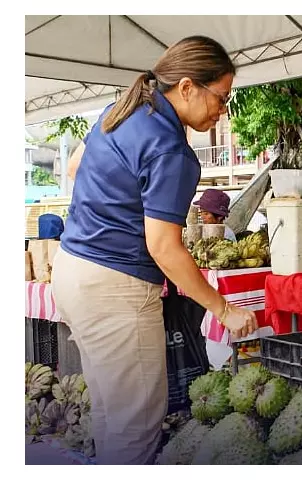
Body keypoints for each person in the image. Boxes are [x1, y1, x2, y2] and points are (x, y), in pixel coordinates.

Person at [50, 35, 257, 465]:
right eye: (221, 97)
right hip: (115, 289)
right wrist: (223, 310)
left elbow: (75, 167)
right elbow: (163, 247)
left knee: (111, 414)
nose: (223, 110)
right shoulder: (172, 149)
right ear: (187, 87)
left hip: (70, 270)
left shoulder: (122, 111)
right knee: (136, 427)